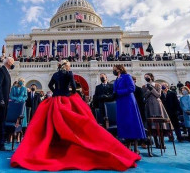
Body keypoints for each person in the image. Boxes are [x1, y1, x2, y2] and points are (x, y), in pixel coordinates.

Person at [11, 60, 141, 171]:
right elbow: (73, 86)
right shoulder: (69, 73)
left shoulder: (56, 74)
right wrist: (72, 92)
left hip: (55, 100)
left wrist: (56, 91)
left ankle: (51, 148)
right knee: (79, 122)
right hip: (66, 99)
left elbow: (50, 85)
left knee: (50, 124)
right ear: (67, 66)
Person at [113, 65, 146, 154]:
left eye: (115, 69)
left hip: (128, 102)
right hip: (120, 103)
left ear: (120, 69)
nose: (114, 71)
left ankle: (135, 148)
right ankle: (128, 146)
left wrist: (118, 92)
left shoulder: (127, 76)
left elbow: (132, 88)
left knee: (131, 122)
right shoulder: (116, 79)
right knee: (124, 123)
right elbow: (115, 90)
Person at [142, 73, 172, 148]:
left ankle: (162, 142)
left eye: (147, 77)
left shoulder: (158, 85)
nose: (146, 78)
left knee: (160, 123)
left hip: (157, 105)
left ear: (151, 77)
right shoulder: (144, 86)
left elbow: (158, 95)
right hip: (149, 105)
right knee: (152, 125)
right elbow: (145, 96)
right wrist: (149, 90)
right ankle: (156, 143)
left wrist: (151, 89)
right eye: (145, 77)